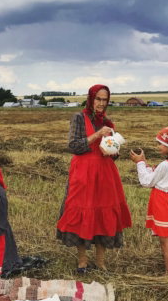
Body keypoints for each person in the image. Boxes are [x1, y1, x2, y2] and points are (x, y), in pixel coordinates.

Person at [56, 84, 132, 272]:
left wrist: (113, 150)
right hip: (83, 172)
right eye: (98, 99)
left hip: (105, 172)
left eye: (105, 100)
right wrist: (96, 135)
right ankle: (82, 260)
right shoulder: (79, 118)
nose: (101, 103)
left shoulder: (108, 121)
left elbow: (113, 153)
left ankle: (100, 262)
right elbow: (73, 146)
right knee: (82, 213)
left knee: (102, 213)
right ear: (91, 99)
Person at [130, 125, 168, 275]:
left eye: (160, 143)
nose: (157, 146)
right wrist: (144, 162)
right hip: (166, 201)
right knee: (166, 242)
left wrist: (139, 163)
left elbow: (147, 181)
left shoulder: (166, 165)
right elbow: (156, 177)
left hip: (164, 204)